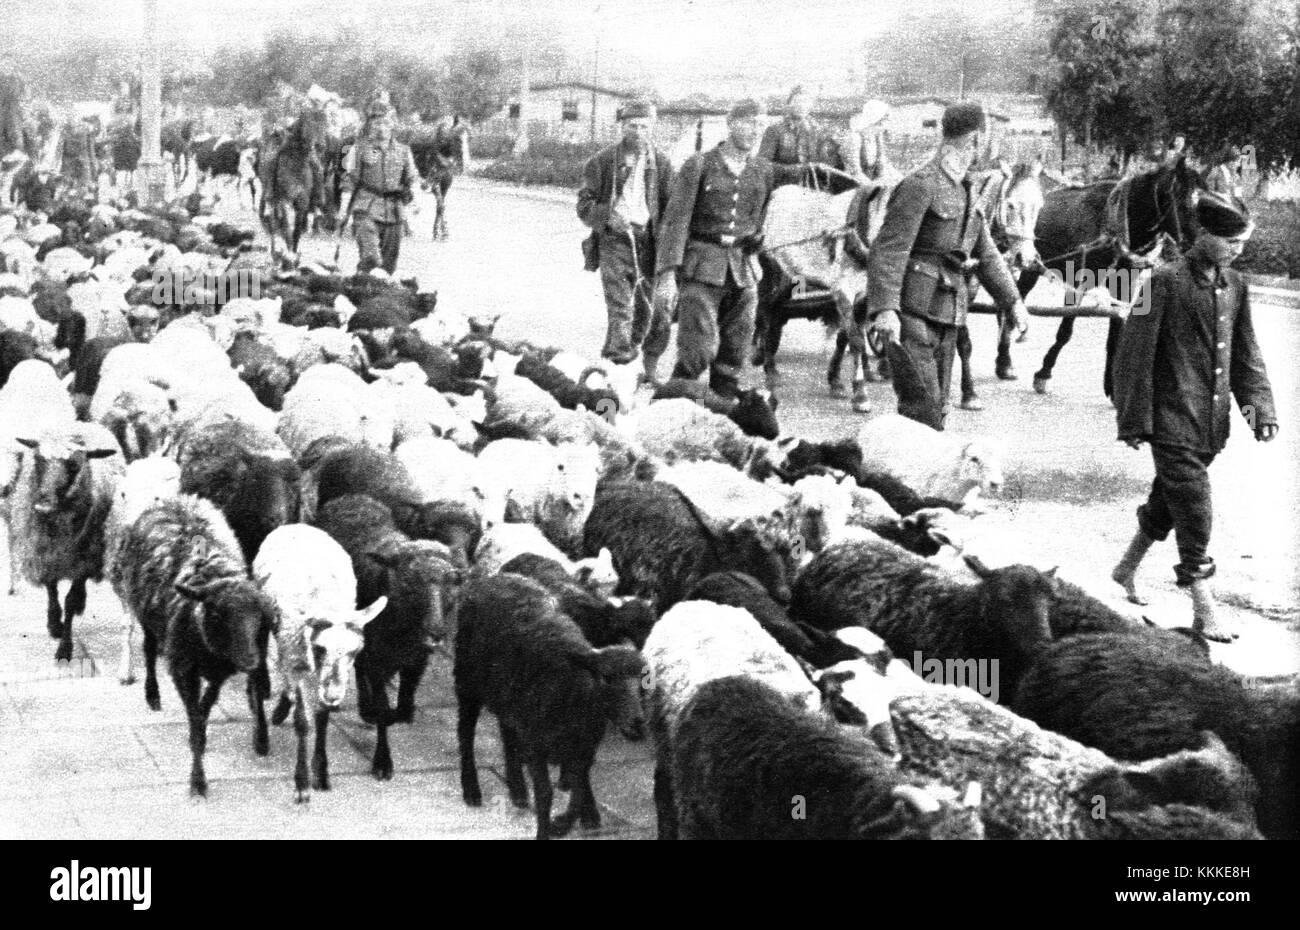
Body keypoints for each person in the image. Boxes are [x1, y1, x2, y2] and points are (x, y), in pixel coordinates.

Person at [1109, 193, 1277, 642]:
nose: (1237, 250)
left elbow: (1245, 355)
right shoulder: (1162, 282)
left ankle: (1125, 568)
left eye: (1242, 242)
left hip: (1211, 425)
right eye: (1229, 241)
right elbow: (1132, 356)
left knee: (1169, 498)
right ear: (1203, 234)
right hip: (1170, 420)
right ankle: (1204, 608)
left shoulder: (1235, 285)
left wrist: (1258, 411)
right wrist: (1133, 420)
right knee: (1194, 506)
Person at [865, 102, 1029, 431]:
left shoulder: (966, 188)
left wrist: (1013, 301)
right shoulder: (921, 184)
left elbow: (985, 252)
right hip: (911, 314)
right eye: (988, 138)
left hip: (947, 313)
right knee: (921, 410)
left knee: (938, 410)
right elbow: (889, 250)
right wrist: (885, 309)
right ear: (977, 138)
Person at [654, 99, 785, 398]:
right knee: (697, 350)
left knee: (734, 352)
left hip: (744, 270)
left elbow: (759, 216)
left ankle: (722, 411)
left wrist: (757, 237)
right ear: (731, 124)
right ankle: (666, 406)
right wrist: (667, 275)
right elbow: (675, 221)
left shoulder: (762, 170)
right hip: (702, 267)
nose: (754, 131)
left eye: (760, 125)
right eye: (748, 123)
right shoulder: (699, 164)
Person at [576, 99, 675, 379]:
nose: (638, 132)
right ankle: (619, 365)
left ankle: (626, 358)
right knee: (620, 307)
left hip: (649, 243)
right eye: (632, 126)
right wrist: (608, 217)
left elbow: (671, 210)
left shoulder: (662, 164)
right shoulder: (602, 161)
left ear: (652, 127)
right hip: (615, 241)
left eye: (644, 126)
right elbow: (584, 205)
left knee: (647, 308)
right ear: (622, 126)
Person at [339, 100, 419, 275]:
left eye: (385, 123)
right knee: (371, 259)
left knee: (388, 267)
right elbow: (349, 181)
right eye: (377, 123)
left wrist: (415, 203)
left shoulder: (404, 151)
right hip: (366, 210)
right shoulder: (358, 149)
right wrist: (343, 210)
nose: (381, 128)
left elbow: (412, 179)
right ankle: (361, 282)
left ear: (393, 125)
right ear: (370, 125)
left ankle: (373, 290)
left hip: (394, 213)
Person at [759, 85, 818, 185]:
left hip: (810, 187)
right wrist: (792, 170)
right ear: (789, 104)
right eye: (797, 101)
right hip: (781, 186)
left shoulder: (815, 132)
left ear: (810, 106)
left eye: (805, 102)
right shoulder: (774, 130)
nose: (801, 106)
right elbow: (762, 165)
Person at [841, 99, 893, 183]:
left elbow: (881, 165)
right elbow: (854, 172)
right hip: (852, 183)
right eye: (884, 120)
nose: (886, 126)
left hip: (870, 183)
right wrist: (873, 186)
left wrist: (886, 180)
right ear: (876, 120)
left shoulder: (877, 136)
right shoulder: (854, 139)